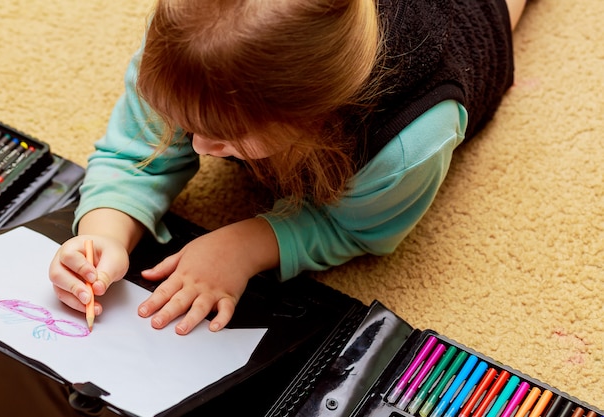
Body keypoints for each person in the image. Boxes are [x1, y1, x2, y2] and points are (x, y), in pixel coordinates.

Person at [49, 0, 527, 335]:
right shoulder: (187, 50)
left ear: (315, 119)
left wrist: (250, 244)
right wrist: (104, 232)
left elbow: (362, 230)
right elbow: (132, 154)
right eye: (183, 121)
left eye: (225, 134)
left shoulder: (409, 140)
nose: (198, 146)